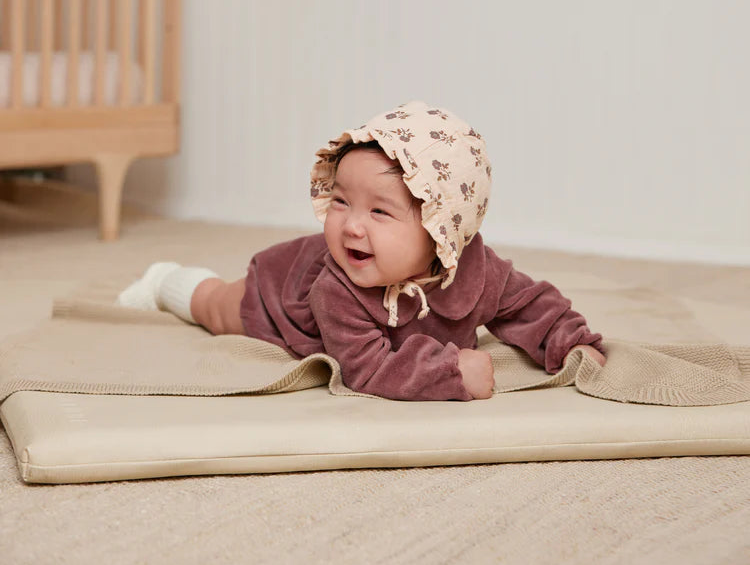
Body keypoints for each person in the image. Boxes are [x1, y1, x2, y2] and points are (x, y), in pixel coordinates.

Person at [118, 101, 606, 401]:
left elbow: (528, 305)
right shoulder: (336, 288)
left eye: (379, 212)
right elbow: (365, 367)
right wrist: (449, 372)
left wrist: (570, 340)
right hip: (278, 294)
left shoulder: (478, 272)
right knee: (215, 306)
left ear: (440, 232)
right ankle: (166, 281)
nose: (351, 226)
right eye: (341, 202)